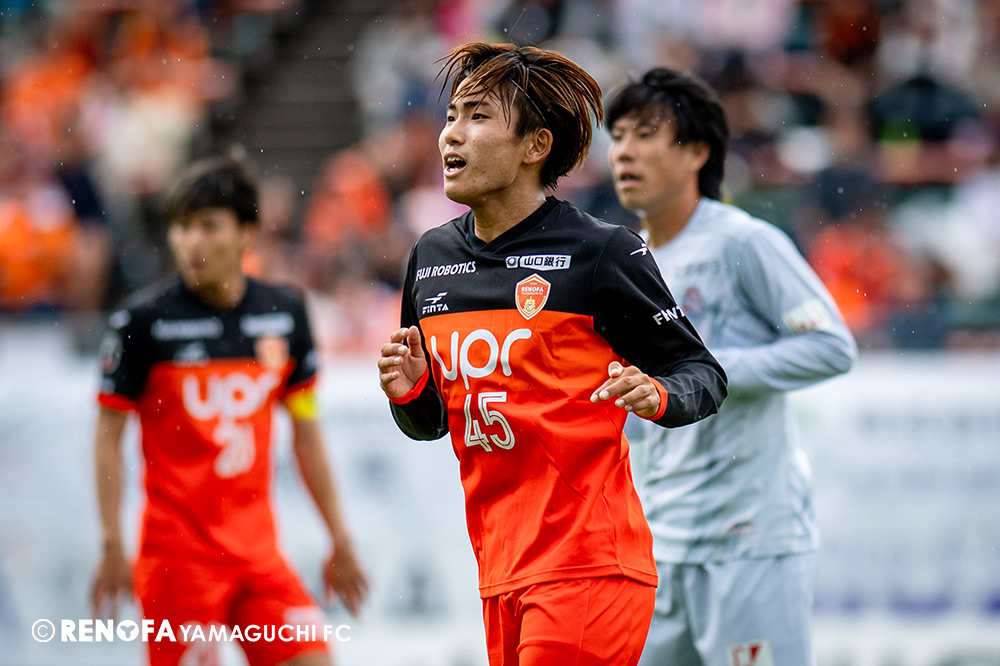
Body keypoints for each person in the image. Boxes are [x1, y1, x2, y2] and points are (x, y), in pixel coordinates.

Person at [376, 43, 728, 666]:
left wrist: (658, 393)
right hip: (500, 572)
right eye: (451, 116)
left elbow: (701, 372)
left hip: (589, 565)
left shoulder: (602, 252)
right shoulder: (430, 258)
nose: (451, 134)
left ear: (535, 146)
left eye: (478, 117)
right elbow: (432, 422)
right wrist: (409, 392)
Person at [605, 68, 858, 666]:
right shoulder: (623, 260)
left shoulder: (743, 242)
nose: (624, 152)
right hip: (658, 540)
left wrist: (703, 372)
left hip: (749, 538)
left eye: (644, 133)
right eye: (617, 136)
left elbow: (831, 346)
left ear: (697, 151)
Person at [90, 154, 368, 666]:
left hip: (259, 558)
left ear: (246, 232)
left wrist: (339, 536)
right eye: (182, 227)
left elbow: (307, 432)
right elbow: (107, 438)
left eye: (208, 226)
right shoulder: (142, 322)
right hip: (177, 563)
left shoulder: (285, 313)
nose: (190, 242)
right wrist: (111, 541)